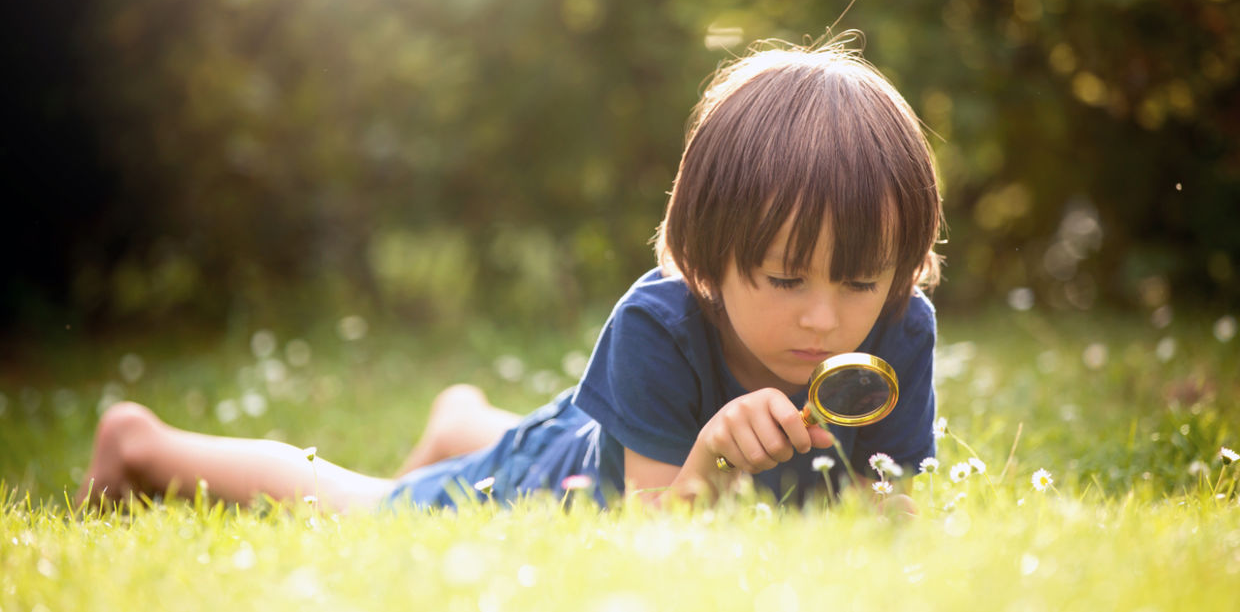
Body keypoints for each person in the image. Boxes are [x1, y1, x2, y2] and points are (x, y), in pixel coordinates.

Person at [76, 33, 944, 512]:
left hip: (596, 431)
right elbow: (649, 543)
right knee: (375, 512)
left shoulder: (901, 330)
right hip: (566, 482)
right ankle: (145, 445)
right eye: (786, 280)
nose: (826, 320)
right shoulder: (662, 323)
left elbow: (888, 498)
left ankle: (464, 419)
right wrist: (710, 462)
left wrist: (881, 518)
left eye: (861, 281)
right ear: (711, 260)